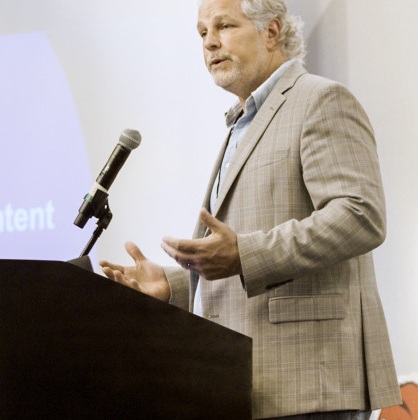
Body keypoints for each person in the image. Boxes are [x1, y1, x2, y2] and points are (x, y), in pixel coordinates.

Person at [99, 0, 402, 418]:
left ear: (272, 32)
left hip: (309, 382)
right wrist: (175, 285)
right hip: (246, 384)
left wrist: (244, 253)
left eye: (224, 25)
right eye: (202, 33)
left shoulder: (320, 100)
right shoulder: (241, 122)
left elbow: (360, 215)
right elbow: (238, 259)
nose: (210, 43)